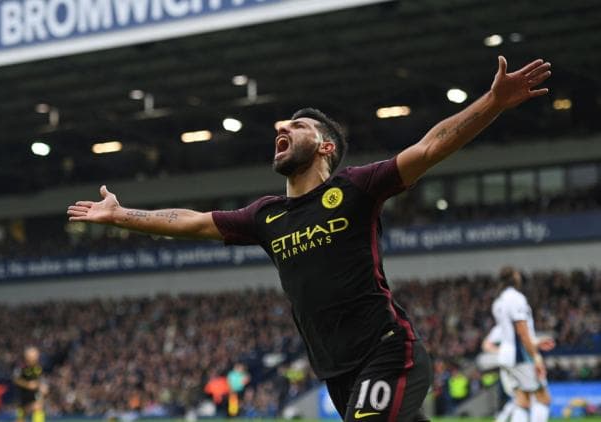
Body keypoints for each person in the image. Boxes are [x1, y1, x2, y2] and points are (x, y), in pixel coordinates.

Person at [68, 56, 551, 422]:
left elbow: (430, 146)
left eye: (296, 126)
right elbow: (189, 221)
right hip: (336, 372)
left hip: (386, 351)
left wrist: (493, 102)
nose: (282, 127)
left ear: (325, 147)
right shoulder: (265, 216)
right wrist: (120, 215)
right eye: (281, 125)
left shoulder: (357, 189)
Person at [491, 267, 552, 422]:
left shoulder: (498, 302)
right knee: (543, 398)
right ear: (515, 278)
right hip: (520, 356)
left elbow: (509, 333)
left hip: (506, 355)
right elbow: (522, 333)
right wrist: (536, 357)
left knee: (523, 401)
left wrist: (536, 341)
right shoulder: (517, 298)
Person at [12, 346, 47, 422]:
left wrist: (42, 386)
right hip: (22, 395)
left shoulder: (39, 366)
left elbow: (40, 379)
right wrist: (27, 384)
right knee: (21, 418)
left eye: (36, 356)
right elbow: (15, 379)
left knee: (38, 407)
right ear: (27, 356)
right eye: (34, 356)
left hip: (34, 394)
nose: (36, 358)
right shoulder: (20, 366)